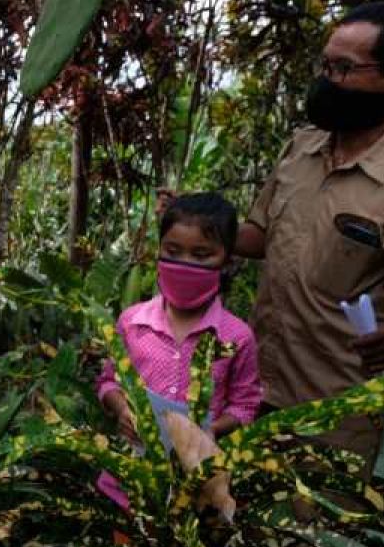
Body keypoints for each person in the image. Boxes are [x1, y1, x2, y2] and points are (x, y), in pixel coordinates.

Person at [234, 2, 384, 460]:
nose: (328, 80)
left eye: (343, 68)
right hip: (256, 389)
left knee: (318, 527)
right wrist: (201, 228)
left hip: (338, 410)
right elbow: (259, 236)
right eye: (325, 64)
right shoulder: (302, 148)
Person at [96, 193, 262, 506]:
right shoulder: (132, 322)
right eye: (173, 250)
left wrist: (206, 429)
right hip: (131, 474)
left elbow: (246, 405)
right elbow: (108, 381)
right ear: (159, 249)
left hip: (197, 482)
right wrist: (121, 409)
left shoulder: (237, 336)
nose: (184, 263)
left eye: (201, 255)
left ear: (227, 260)